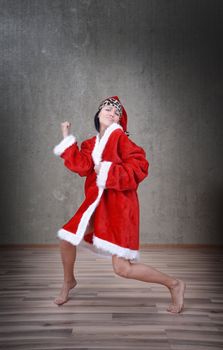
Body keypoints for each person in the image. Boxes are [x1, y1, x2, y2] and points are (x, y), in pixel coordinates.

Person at [53, 95, 186, 313]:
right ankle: (69, 281)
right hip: (97, 205)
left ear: (119, 121)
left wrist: (106, 169)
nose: (111, 113)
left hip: (120, 208)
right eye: (107, 108)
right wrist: (67, 137)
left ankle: (174, 284)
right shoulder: (90, 144)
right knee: (67, 238)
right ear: (98, 113)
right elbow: (81, 165)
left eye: (116, 112)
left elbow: (139, 167)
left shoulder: (121, 140)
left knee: (122, 269)